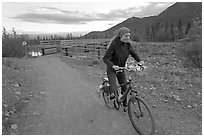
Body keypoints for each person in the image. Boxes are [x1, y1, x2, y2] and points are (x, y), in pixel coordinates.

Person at [103, 27, 144, 112]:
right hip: (112, 69)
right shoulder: (114, 44)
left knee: (124, 87)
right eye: (126, 36)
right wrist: (113, 66)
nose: (128, 38)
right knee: (114, 88)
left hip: (121, 68)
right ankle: (103, 88)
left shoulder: (128, 45)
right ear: (121, 36)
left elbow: (133, 53)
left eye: (129, 36)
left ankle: (125, 105)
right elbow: (105, 58)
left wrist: (140, 61)